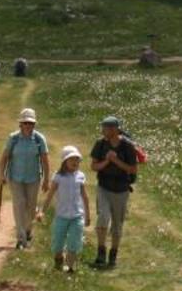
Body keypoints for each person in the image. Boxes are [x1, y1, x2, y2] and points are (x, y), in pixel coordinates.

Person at [88, 115, 140, 270]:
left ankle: (113, 254)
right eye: (103, 127)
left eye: (105, 128)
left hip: (122, 190)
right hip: (104, 187)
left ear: (114, 129)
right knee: (103, 217)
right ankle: (101, 252)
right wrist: (107, 161)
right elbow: (94, 166)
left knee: (117, 225)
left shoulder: (128, 146)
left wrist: (116, 160)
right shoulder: (100, 144)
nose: (103, 130)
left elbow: (133, 169)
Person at [0, 106, 50, 251]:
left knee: (31, 207)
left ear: (34, 124)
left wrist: (46, 180)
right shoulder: (13, 138)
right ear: (20, 123)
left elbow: (45, 160)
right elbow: (4, 158)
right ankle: (21, 239)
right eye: (25, 123)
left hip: (33, 178)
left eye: (31, 123)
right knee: (19, 204)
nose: (28, 125)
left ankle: (28, 230)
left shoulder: (39, 139)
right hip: (15, 178)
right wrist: (1, 175)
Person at [45, 146, 91, 274]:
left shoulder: (80, 176)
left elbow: (85, 197)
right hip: (61, 216)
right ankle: (58, 260)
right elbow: (50, 195)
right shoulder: (58, 177)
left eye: (77, 160)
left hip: (77, 216)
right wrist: (42, 211)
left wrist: (87, 215)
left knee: (74, 242)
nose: (75, 162)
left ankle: (70, 267)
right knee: (58, 244)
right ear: (65, 161)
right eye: (72, 160)